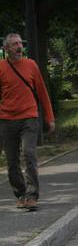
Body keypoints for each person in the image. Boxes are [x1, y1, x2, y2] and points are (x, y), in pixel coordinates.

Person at [0, 33, 56, 210]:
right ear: (6, 48)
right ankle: (21, 193)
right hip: (7, 120)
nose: (19, 47)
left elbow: (42, 92)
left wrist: (50, 118)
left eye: (20, 43)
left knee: (29, 154)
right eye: (14, 44)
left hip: (29, 118)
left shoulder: (31, 65)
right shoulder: (1, 67)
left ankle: (32, 195)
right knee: (12, 161)